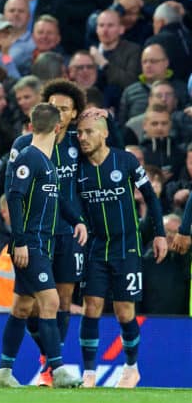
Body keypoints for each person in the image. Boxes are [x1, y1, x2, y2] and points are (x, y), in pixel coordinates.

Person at [75, 108, 168, 388]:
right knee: (91, 307)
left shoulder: (124, 160)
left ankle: (131, 368)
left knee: (124, 310)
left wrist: (160, 234)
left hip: (127, 247)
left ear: (104, 134)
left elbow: (151, 197)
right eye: (79, 133)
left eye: (89, 132)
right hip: (94, 247)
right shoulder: (78, 167)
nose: (82, 137)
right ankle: (89, 374)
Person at [6, 79, 87, 386]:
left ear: (74, 114)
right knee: (37, 303)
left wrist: (78, 220)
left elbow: (64, 194)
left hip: (63, 234)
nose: (59, 113)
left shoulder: (76, 145)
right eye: (54, 107)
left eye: (65, 108)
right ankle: (52, 364)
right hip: (34, 236)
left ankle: (44, 367)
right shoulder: (25, 149)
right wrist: (18, 236)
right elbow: (13, 193)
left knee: (57, 300)